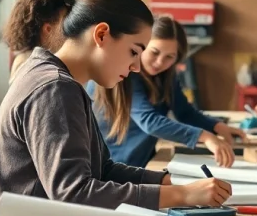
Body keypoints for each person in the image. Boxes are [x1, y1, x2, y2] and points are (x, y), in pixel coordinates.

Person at [0, 0, 231, 216]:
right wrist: (182, 196)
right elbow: (74, 192)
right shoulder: (54, 89)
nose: (137, 67)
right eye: (134, 51)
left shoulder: (60, 81)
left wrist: (167, 182)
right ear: (101, 35)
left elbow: (102, 169)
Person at [88, 15, 246, 169]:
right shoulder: (125, 73)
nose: (159, 63)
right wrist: (205, 137)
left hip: (140, 161)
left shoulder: (166, 75)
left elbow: (184, 112)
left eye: (169, 57)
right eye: (155, 52)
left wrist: (217, 126)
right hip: (110, 166)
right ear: (141, 46)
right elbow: (149, 121)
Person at [4, 0, 73, 82]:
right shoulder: (29, 64)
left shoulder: (31, 60)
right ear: (48, 29)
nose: (68, 31)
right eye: (64, 22)